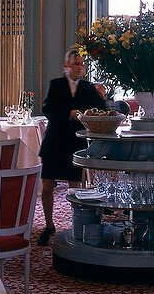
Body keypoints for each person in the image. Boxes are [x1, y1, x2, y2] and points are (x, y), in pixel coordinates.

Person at [37, 48, 106, 246]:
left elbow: (100, 109)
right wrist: (69, 113)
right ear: (66, 65)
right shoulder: (56, 84)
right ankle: (49, 224)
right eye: (76, 63)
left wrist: (100, 97)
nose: (79, 67)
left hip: (76, 141)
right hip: (55, 139)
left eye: (82, 64)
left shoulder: (88, 87)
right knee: (48, 184)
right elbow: (48, 108)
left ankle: (75, 224)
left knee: (75, 185)